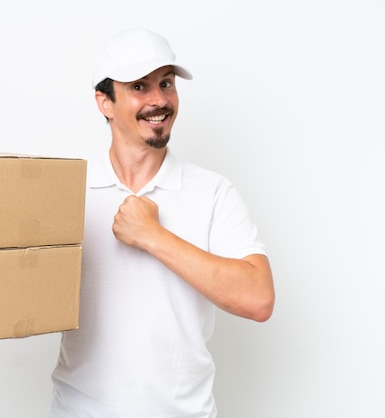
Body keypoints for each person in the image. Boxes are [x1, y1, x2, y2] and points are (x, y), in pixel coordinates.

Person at [48, 28, 275, 418]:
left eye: (166, 83)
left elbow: (258, 298)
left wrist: (154, 237)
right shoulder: (68, 192)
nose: (159, 101)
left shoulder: (213, 192)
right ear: (105, 102)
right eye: (140, 86)